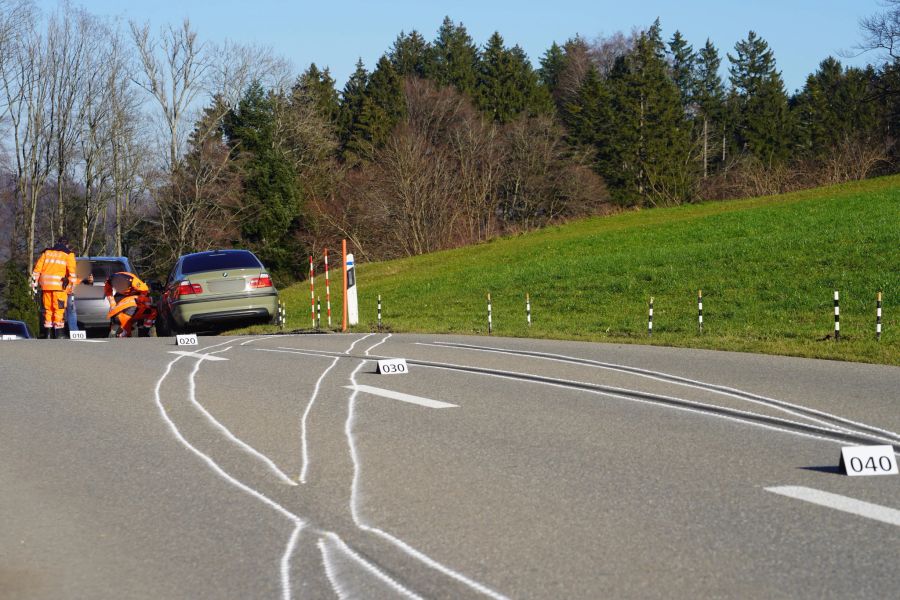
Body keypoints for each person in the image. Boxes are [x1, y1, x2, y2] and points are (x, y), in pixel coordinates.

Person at [31, 237, 78, 339]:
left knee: (48, 309)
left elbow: (37, 269)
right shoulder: (68, 254)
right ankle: (59, 333)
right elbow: (72, 273)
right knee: (59, 309)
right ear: (67, 245)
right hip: (59, 287)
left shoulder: (46, 252)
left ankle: (48, 333)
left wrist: (34, 285)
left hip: (46, 286)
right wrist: (71, 288)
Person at [105, 271, 156, 338]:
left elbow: (145, 290)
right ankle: (115, 327)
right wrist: (112, 303)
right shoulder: (109, 281)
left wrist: (140, 299)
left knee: (145, 306)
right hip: (121, 295)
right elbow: (108, 292)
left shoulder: (133, 280)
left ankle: (143, 326)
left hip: (137, 293)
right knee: (114, 312)